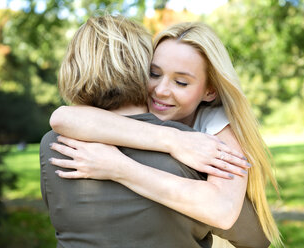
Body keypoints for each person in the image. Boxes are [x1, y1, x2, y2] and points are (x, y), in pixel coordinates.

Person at [40, 14, 270, 248]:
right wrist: (174, 140)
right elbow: (62, 117)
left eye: (181, 82)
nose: (160, 90)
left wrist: (117, 167)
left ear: (210, 91)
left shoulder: (213, 140)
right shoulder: (183, 151)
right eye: (154, 73)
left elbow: (225, 212)